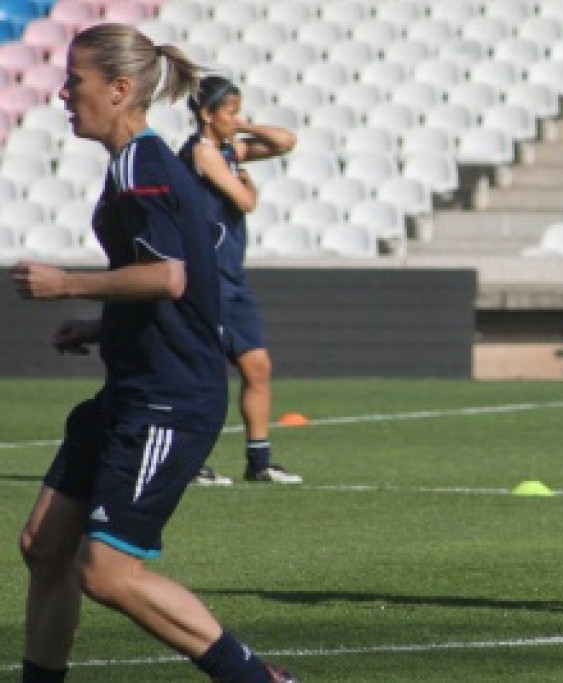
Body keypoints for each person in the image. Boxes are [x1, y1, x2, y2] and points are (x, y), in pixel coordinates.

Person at [12, 24, 296, 682]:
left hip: (169, 400)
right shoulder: (136, 163)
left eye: (75, 82)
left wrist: (66, 284)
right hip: (134, 388)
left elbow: (168, 276)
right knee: (44, 546)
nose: (62, 94)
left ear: (119, 89)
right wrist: (100, 327)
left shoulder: (143, 165)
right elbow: (173, 281)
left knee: (107, 572)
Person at [179, 74, 301, 485]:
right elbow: (245, 201)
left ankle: (259, 461)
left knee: (257, 366)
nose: (236, 119)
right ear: (206, 114)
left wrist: (242, 125)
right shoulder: (202, 153)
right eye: (230, 112)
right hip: (206, 277)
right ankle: (188, 462)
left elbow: (286, 141)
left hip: (232, 277)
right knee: (204, 373)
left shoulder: (229, 149)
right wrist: (250, 187)